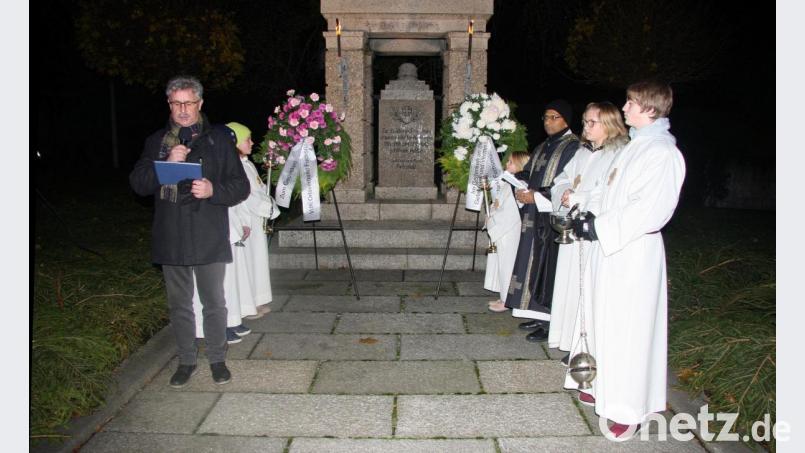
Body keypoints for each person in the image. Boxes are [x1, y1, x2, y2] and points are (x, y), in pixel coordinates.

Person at [571, 80, 685, 441]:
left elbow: (650, 209)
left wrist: (600, 227)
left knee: (630, 330)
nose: (624, 107)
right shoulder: (634, 148)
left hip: (634, 252)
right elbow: (608, 191)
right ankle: (606, 389)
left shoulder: (662, 153)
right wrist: (586, 216)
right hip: (614, 249)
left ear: (650, 109)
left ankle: (628, 408)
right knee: (609, 322)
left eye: (632, 103)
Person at [129, 75, 250, 388]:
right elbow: (138, 184)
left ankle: (217, 359)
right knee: (179, 303)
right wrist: (164, 163)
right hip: (172, 234)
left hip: (208, 232)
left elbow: (240, 186)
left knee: (214, 301)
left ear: (200, 104)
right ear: (169, 104)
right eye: (177, 103)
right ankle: (185, 360)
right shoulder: (157, 141)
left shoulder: (219, 139)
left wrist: (213, 189)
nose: (183, 109)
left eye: (189, 103)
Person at [546, 102, 627, 397]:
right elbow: (562, 179)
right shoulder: (581, 152)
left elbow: (610, 191)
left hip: (593, 231)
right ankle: (571, 342)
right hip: (572, 227)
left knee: (585, 290)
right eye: (585, 121)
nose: (586, 126)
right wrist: (564, 192)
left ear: (608, 124)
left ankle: (584, 344)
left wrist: (579, 196)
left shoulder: (618, 154)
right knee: (569, 288)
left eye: (592, 122)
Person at [192, 122, 280, 344]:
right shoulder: (214, 165)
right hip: (218, 229)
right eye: (247, 139)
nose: (252, 142)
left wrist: (243, 221)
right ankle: (218, 325)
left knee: (234, 278)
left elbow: (240, 194)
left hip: (234, 227)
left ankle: (231, 318)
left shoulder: (241, 165)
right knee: (221, 281)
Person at [504, 100, 581, 342]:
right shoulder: (544, 145)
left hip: (552, 217)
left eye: (554, 117)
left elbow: (566, 183)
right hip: (534, 214)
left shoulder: (572, 147)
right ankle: (537, 313)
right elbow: (531, 173)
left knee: (548, 268)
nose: (548, 122)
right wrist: (518, 182)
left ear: (566, 120)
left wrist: (536, 195)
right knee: (533, 264)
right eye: (546, 117)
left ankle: (551, 320)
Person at [486, 151, 530, 312]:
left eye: (510, 162)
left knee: (508, 263)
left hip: (508, 231)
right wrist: (491, 214)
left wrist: (494, 223)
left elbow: (511, 211)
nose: (507, 165)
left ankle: (507, 299)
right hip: (502, 228)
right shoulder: (508, 182)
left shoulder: (519, 184)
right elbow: (498, 202)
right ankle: (503, 294)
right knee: (501, 263)